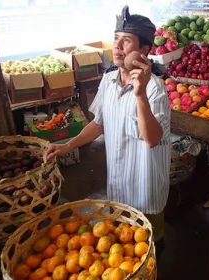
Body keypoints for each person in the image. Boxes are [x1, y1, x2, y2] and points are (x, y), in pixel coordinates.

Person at [44, 5, 170, 258]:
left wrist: (140, 94)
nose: (118, 46)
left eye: (126, 40)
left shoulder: (155, 89)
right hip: (119, 180)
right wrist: (66, 146)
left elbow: (152, 138)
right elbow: (99, 123)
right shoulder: (108, 80)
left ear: (144, 50)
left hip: (145, 181)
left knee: (150, 247)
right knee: (121, 249)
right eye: (116, 38)